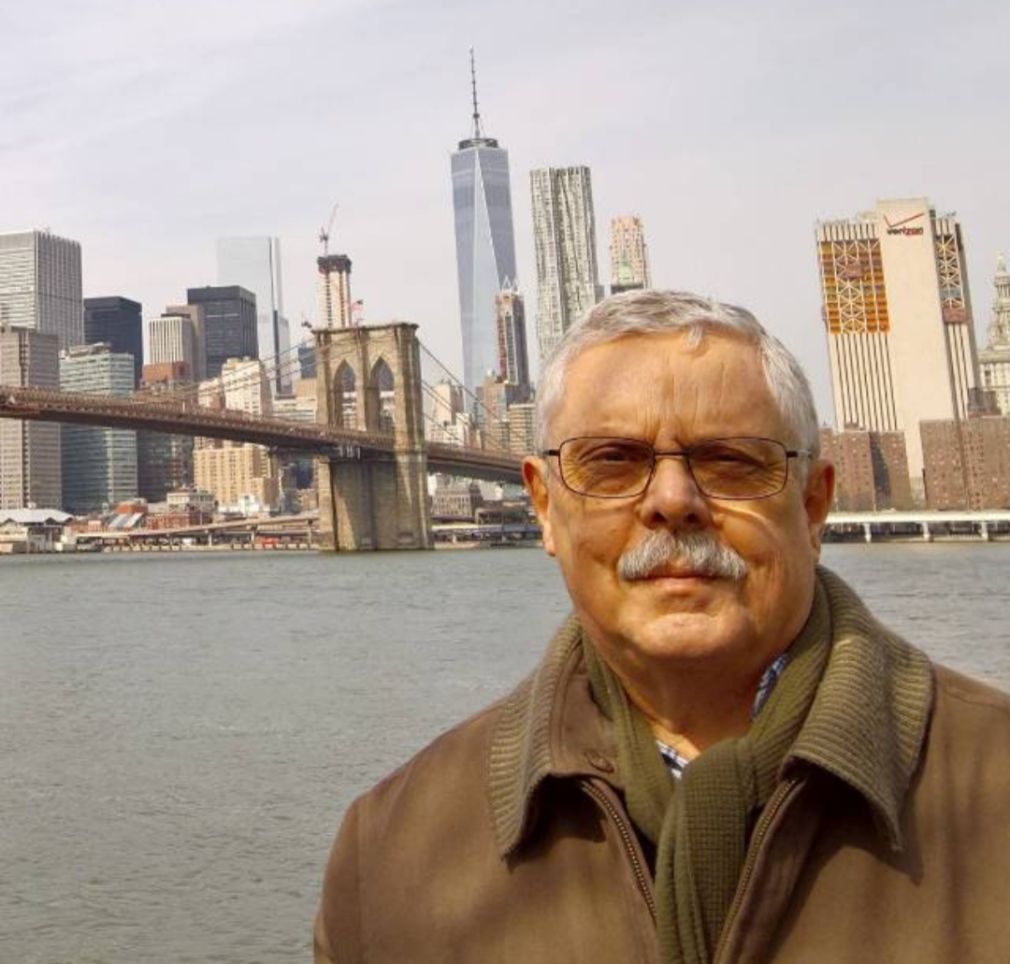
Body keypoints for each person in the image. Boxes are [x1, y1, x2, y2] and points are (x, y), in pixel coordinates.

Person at [314, 290, 1010, 963]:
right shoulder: (386, 857)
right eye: (612, 461)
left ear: (812, 506)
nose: (673, 501)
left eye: (730, 460)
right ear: (544, 508)